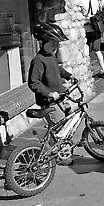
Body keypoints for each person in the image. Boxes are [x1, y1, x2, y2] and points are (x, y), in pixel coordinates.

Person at [27, 22, 76, 165]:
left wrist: (68, 75)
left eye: (57, 43)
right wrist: (49, 93)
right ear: (43, 42)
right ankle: (62, 157)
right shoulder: (38, 60)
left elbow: (57, 70)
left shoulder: (50, 57)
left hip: (60, 99)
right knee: (61, 129)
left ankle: (51, 144)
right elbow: (33, 82)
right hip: (50, 102)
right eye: (53, 43)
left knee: (64, 124)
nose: (56, 46)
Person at [78, 0, 104, 79]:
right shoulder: (95, 0)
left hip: (86, 27)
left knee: (85, 49)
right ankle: (103, 69)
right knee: (97, 50)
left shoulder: (81, 0)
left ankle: (86, 70)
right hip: (96, 27)